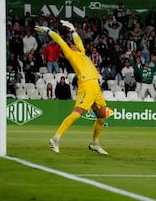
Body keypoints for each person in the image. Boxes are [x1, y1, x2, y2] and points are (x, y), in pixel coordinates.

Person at [35, 20, 109, 155]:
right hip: (86, 86)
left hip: (96, 87)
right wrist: (48, 31)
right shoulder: (71, 54)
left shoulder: (82, 51)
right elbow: (60, 41)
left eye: (73, 44)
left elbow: (78, 40)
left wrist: (73, 29)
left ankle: (95, 143)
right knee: (77, 113)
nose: (73, 45)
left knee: (102, 115)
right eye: (71, 45)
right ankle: (56, 138)